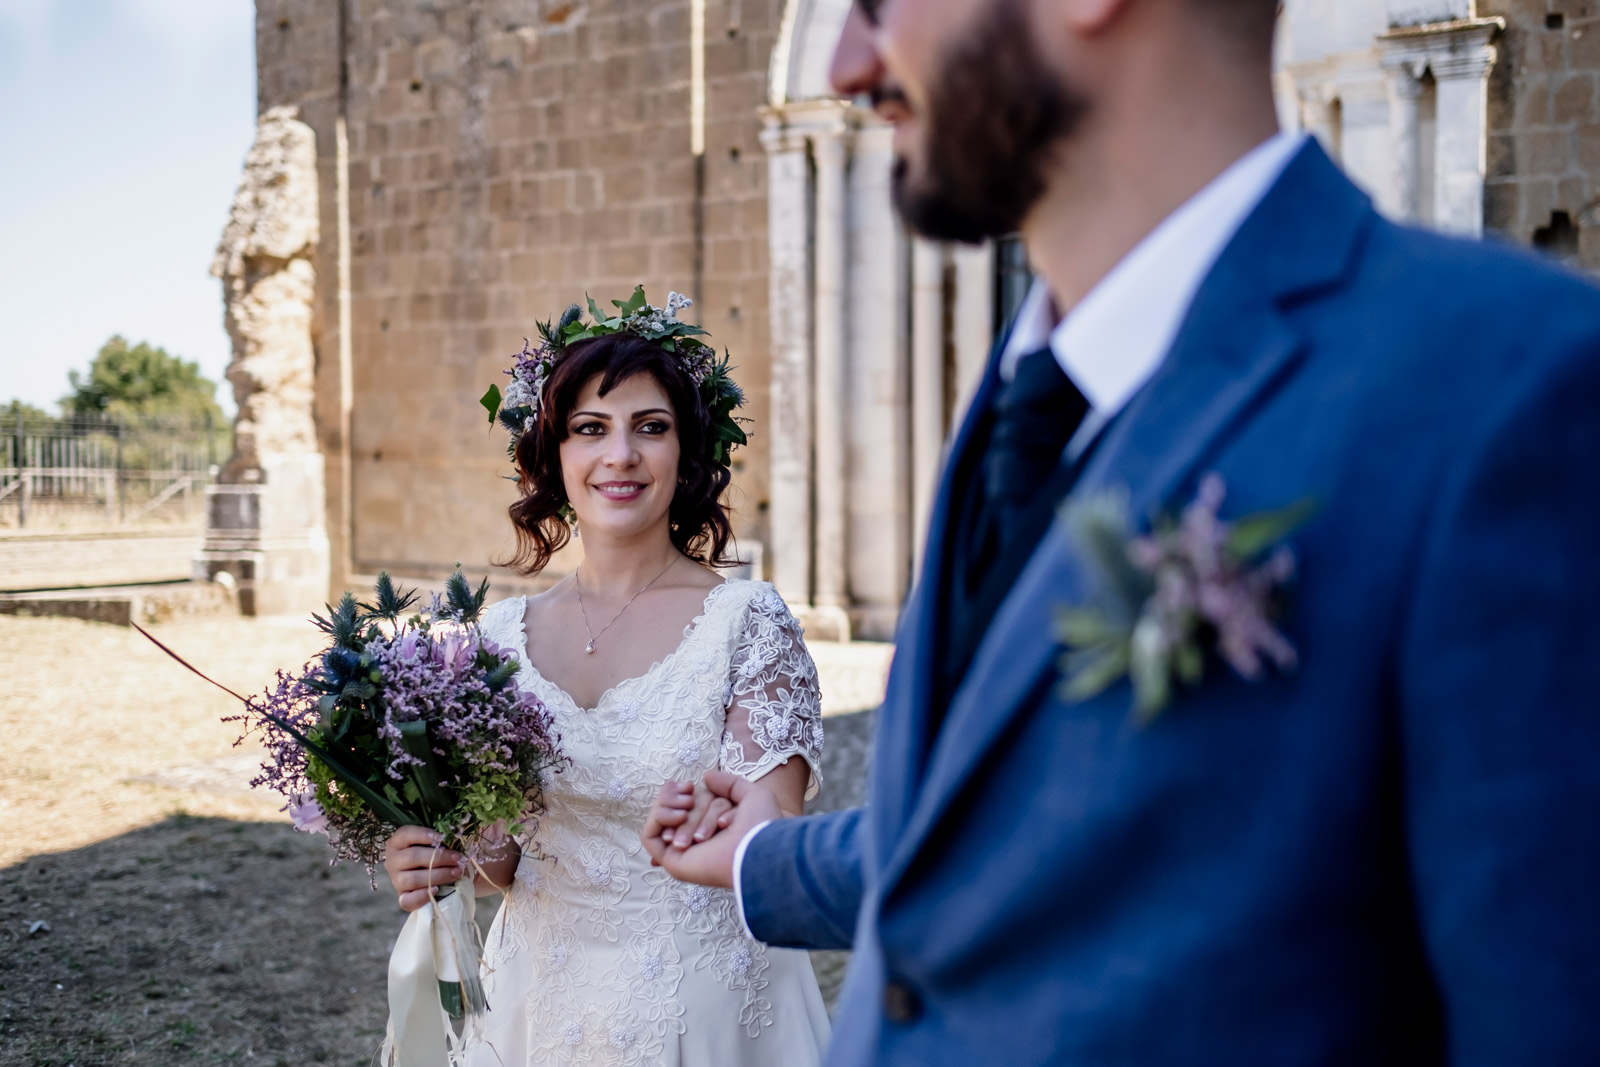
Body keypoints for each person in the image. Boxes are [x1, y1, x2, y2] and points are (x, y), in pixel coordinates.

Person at [644, 0, 1600, 1063]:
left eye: (879, 3)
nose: (848, 60)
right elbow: (1014, 835)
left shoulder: (1507, 395)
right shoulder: (1016, 390)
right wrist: (759, 855)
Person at [382, 295, 831, 1066]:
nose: (619, 454)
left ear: (686, 454)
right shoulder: (496, 640)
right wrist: (439, 859)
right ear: (552, 455)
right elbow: (503, 863)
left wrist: (723, 826)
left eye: (649, 427)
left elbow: (775, 841)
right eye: (590, 428)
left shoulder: (748, 623)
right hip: (537, 1003)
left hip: (706, 1007)